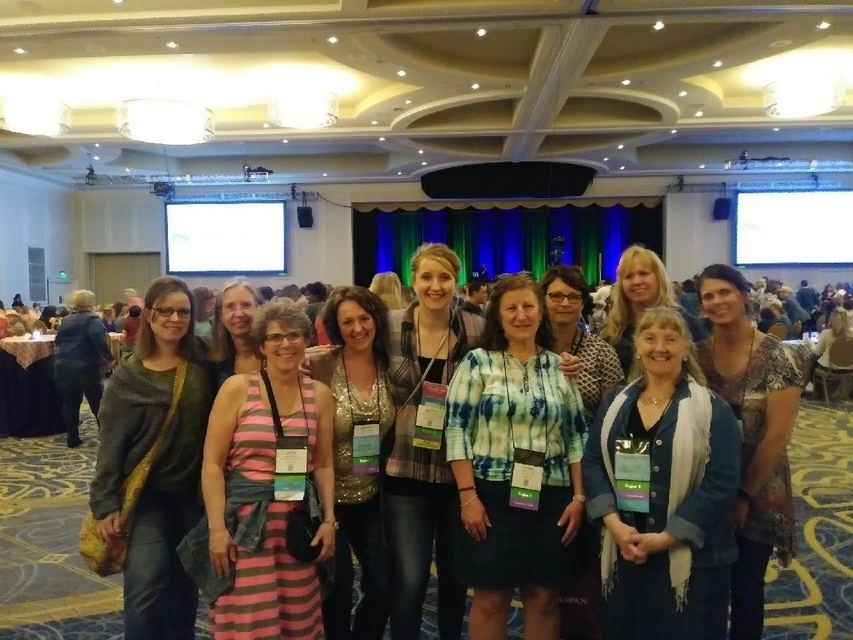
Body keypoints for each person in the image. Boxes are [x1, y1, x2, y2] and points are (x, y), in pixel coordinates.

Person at [583, 307, 741, 639]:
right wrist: (615, 526)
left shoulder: (713, 409)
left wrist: (667, 538)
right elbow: (593, 462)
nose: (660, 348)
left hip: (692, 559)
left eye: (671, 339)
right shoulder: (614, 403)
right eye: (650, 338)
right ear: (637, 347)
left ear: (686, 349)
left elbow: (721, 483)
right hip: (625, 548)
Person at [445, 274, 588, 640]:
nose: (521, 315)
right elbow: (456, 431)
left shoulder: (559, 366)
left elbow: (576, 435)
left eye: (528, 307)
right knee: (492, 598)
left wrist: (579, 497)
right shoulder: (477, 363)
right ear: (498, 315)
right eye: (511, 308)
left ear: (541, 313)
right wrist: (468, 496)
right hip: (490, 495)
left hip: (552, 497)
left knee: (544, 598)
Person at [193, 301, 335, 640]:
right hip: (245, 530)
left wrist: (330, 520)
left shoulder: (320, 395)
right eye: (275, 337)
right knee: (249, 624)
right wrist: (216, 529)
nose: (286, 344)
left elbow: (324, 464)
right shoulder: (237, 388)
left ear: (306, 340)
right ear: (261, 345)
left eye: (294, 335)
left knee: (298, 622)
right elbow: (212, 464)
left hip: (296, 526)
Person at [89, 276, 214, 639]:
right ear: (150, 315)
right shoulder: (130, 376)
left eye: (183, 312)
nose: (175, 319)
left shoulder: (203, 362)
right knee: (146, 584)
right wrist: (104, 504)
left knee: (185, 584)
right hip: (146, 496)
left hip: (194, 494)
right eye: (166, 311)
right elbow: (110, 443)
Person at [695, 264, 802, 640]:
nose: (717, 301)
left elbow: (777, 436)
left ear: (743, 295)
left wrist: (742, 496)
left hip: (758, 489)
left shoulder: (778, 356)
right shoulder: (695, 356)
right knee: (704, 587)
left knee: (746, 588)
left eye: (724, 292)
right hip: (705, 488)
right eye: (708, 296)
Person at [384, 243, 484, 640]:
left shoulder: (476, 329)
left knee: (455, 578)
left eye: (444, 277)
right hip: (404, 470)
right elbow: (348, 355)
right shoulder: (390, 325)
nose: (435, 285)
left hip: (457, 472)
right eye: (427, 276)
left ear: (457, 281)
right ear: (413, 280)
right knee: (409, 581)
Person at [307, 286, 395, 639]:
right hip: (326, 498)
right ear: (335, 326)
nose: (358, 328)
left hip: (371, 493)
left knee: (384, 585)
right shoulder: (319, 364)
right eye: (348, 322)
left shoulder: (389, 363)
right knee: (338, 586)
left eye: (364, 318)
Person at [601, 245, 707, 377]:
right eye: (628, 276)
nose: (637, 281)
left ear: (659, 278)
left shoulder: (685, 322)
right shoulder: (612, 331)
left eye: (643, 274)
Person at [541, 265, 623, 423]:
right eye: (556, 296)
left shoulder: (602, 352)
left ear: (583, 303)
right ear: (543, 300)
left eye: (573, 297)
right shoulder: (529, 346)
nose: (565, 303)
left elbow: (612, 417)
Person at [54, 289, 116, 448]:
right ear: (90, 303)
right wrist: (109, 358)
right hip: (86, 366)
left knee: (70, 402)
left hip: (63, 365)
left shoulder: (66, 320)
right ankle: (106, 436)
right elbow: (98, 339)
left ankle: (72, 438)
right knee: (96, 400)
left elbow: (58, 341)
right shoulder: (92, 319)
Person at [209, 277, 265, 388]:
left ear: (259, 308)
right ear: (221, 316)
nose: (239, 313)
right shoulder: (215, 365)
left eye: (246, 305)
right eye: (230, 307)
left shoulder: (276, 355)